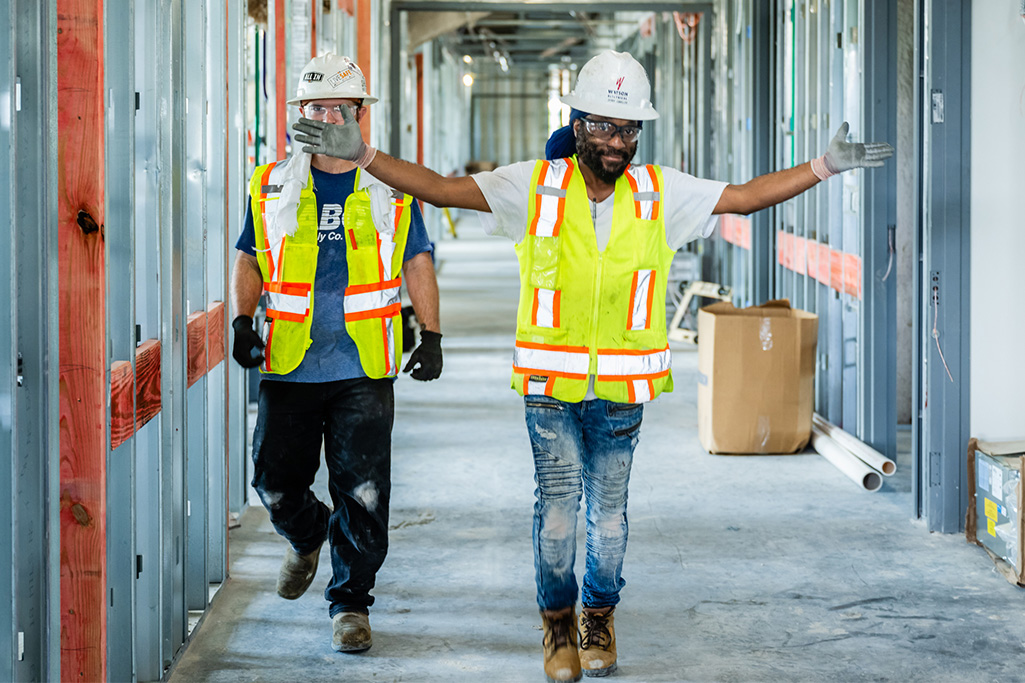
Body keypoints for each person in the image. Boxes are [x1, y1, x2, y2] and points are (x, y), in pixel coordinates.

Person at [294, 49, 892, 681]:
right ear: (578, 123)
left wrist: (825, 167)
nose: (620, 140)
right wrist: (362, 155)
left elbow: (742, 198)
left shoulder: (659, 193)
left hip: (621, 392)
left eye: (631, 128)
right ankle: (557, 628)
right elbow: (441, 188)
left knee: (608, 515)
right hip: (550, 387)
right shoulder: (533, 188)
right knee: (557, 509)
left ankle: (597, 617)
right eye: (607, 125)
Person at [230, 54, 443, 654]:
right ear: (299, 114)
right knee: (273, 482)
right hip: (291, 360)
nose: (327, 117)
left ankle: (350, 604)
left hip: (362, 367)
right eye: (316, 107)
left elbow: (416, 258)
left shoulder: (388, 184)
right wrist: (245, 317)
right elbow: (250, 256)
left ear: (359, 115)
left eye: (339, 107)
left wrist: (431, 331)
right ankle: (308, 536)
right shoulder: (271, 182)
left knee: (365, 494)